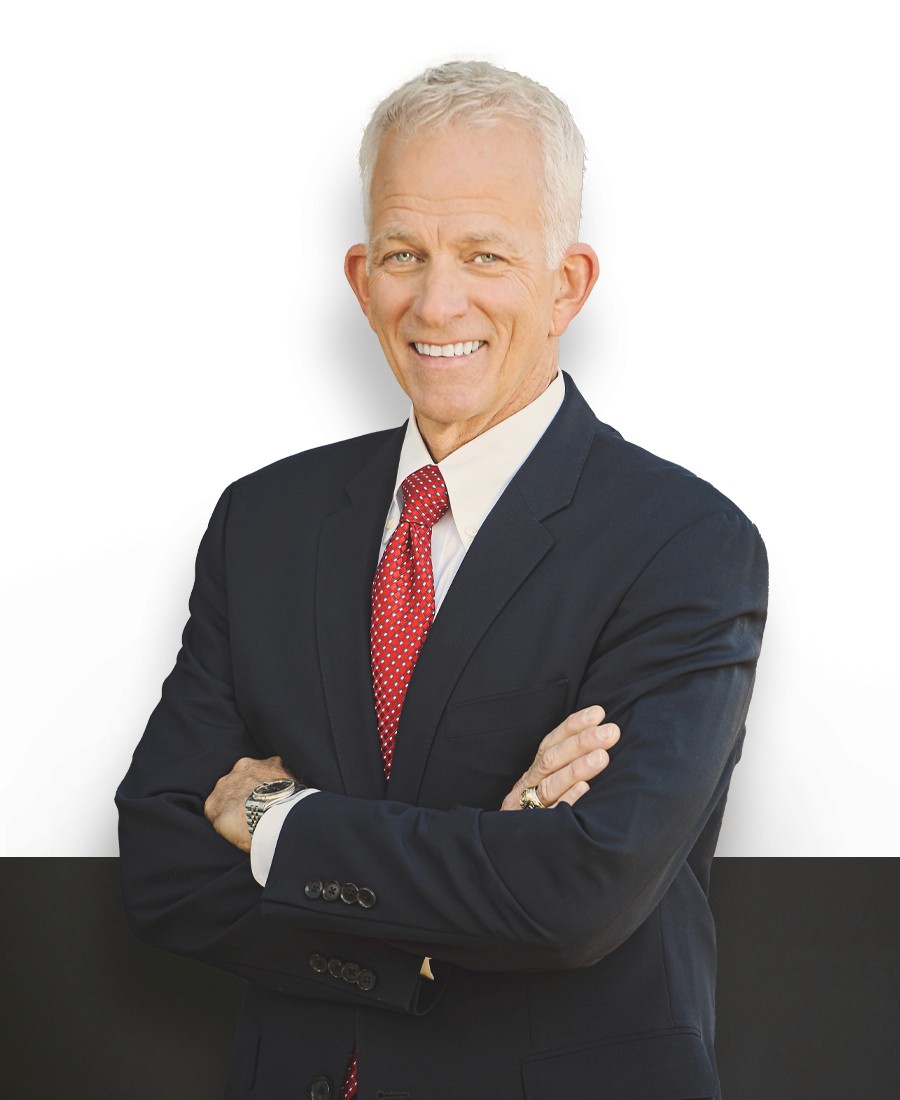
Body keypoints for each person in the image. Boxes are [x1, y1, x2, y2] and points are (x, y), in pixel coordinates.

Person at [117, 61, 767, 1100]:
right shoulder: (265, 521)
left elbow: (579, 889)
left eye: (485, 254)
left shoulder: (684, 542)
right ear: (359, 276)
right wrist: (415, 944)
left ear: (568, 284)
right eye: (404, 253)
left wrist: (273, 815)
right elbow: (159, 855)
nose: (437, 298)